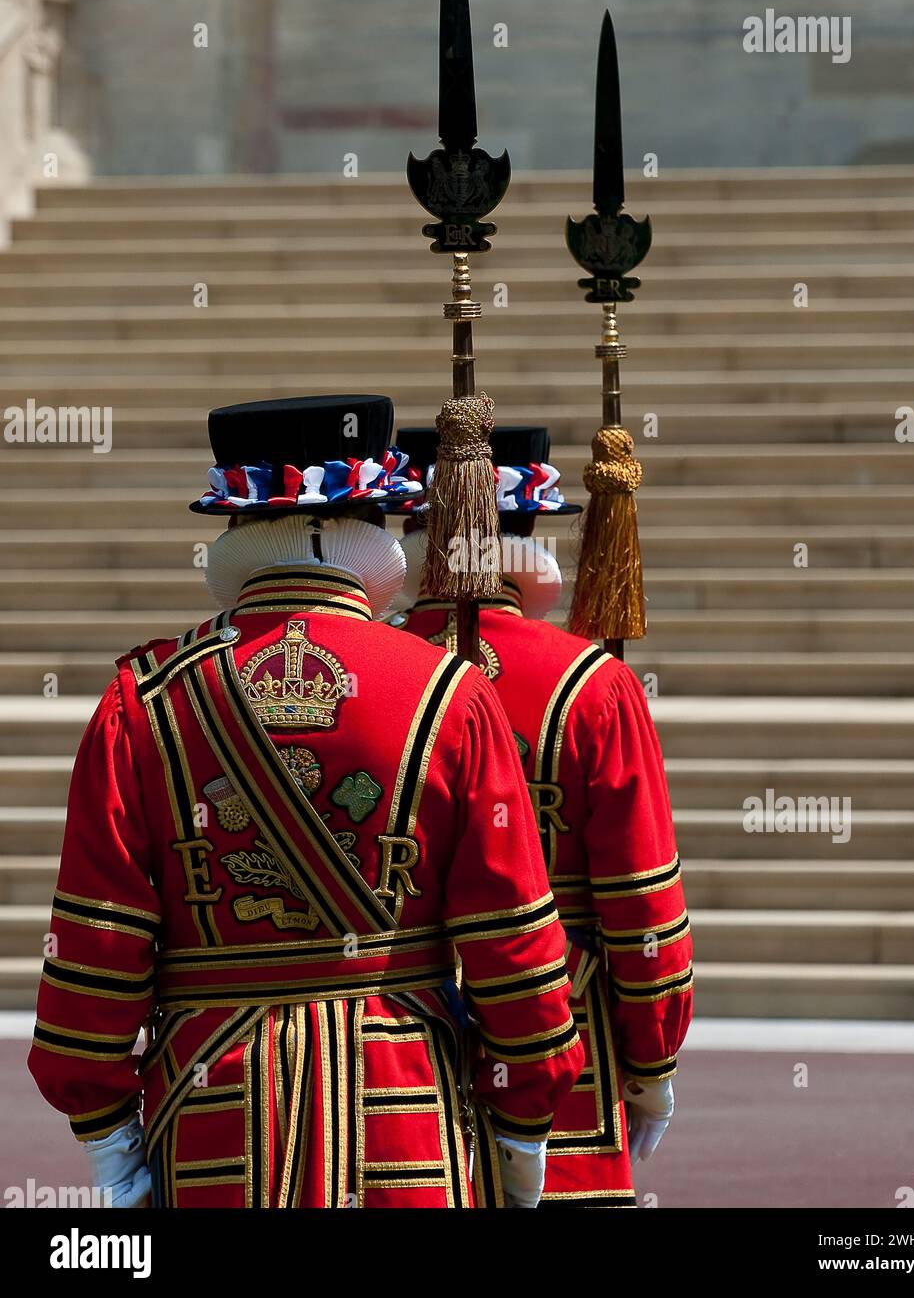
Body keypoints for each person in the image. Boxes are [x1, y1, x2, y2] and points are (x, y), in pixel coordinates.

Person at [28, 396, 584, 1209]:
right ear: (370, 529)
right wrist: (522, 1123)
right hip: (403, 1112)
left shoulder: (142, 699)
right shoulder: (450, 694)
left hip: (214, 1116)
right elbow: (511, 936)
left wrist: (109, 1138)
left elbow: (95, 942)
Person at [389, 424, 693, 1208]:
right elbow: (640, 903)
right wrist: (652, 1060)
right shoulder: (590, 683)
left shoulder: (373, 669)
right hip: (567, 1039)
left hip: (393, 1042)